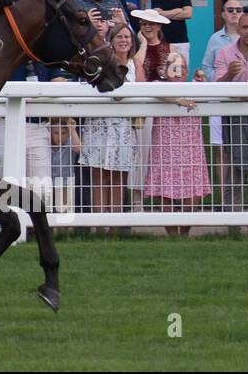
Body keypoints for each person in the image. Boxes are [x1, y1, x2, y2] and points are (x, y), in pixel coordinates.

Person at [144, 51, 210, 228]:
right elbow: (155, 91)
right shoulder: (158, 85)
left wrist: (201, 79)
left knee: (192, 191)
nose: (178, 72)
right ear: (164, 71)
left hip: (191, 148)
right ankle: (172, 235)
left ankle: (186, 233)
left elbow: (209, 91)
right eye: (173, 67)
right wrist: (178, 100)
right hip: (165, 149)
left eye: (181, 68)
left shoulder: (195, 86)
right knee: (165, 192)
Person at [80, 24, 138, 215]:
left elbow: (144, 88)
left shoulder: (135, 64)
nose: (124, 40)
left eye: (127, 37)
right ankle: (99, 224)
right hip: (99, 123)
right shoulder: (100, 62)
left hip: (123, 126)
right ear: (111, 41)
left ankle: (115, 225)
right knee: (99, 175)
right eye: (119, 37)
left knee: (119, 177)